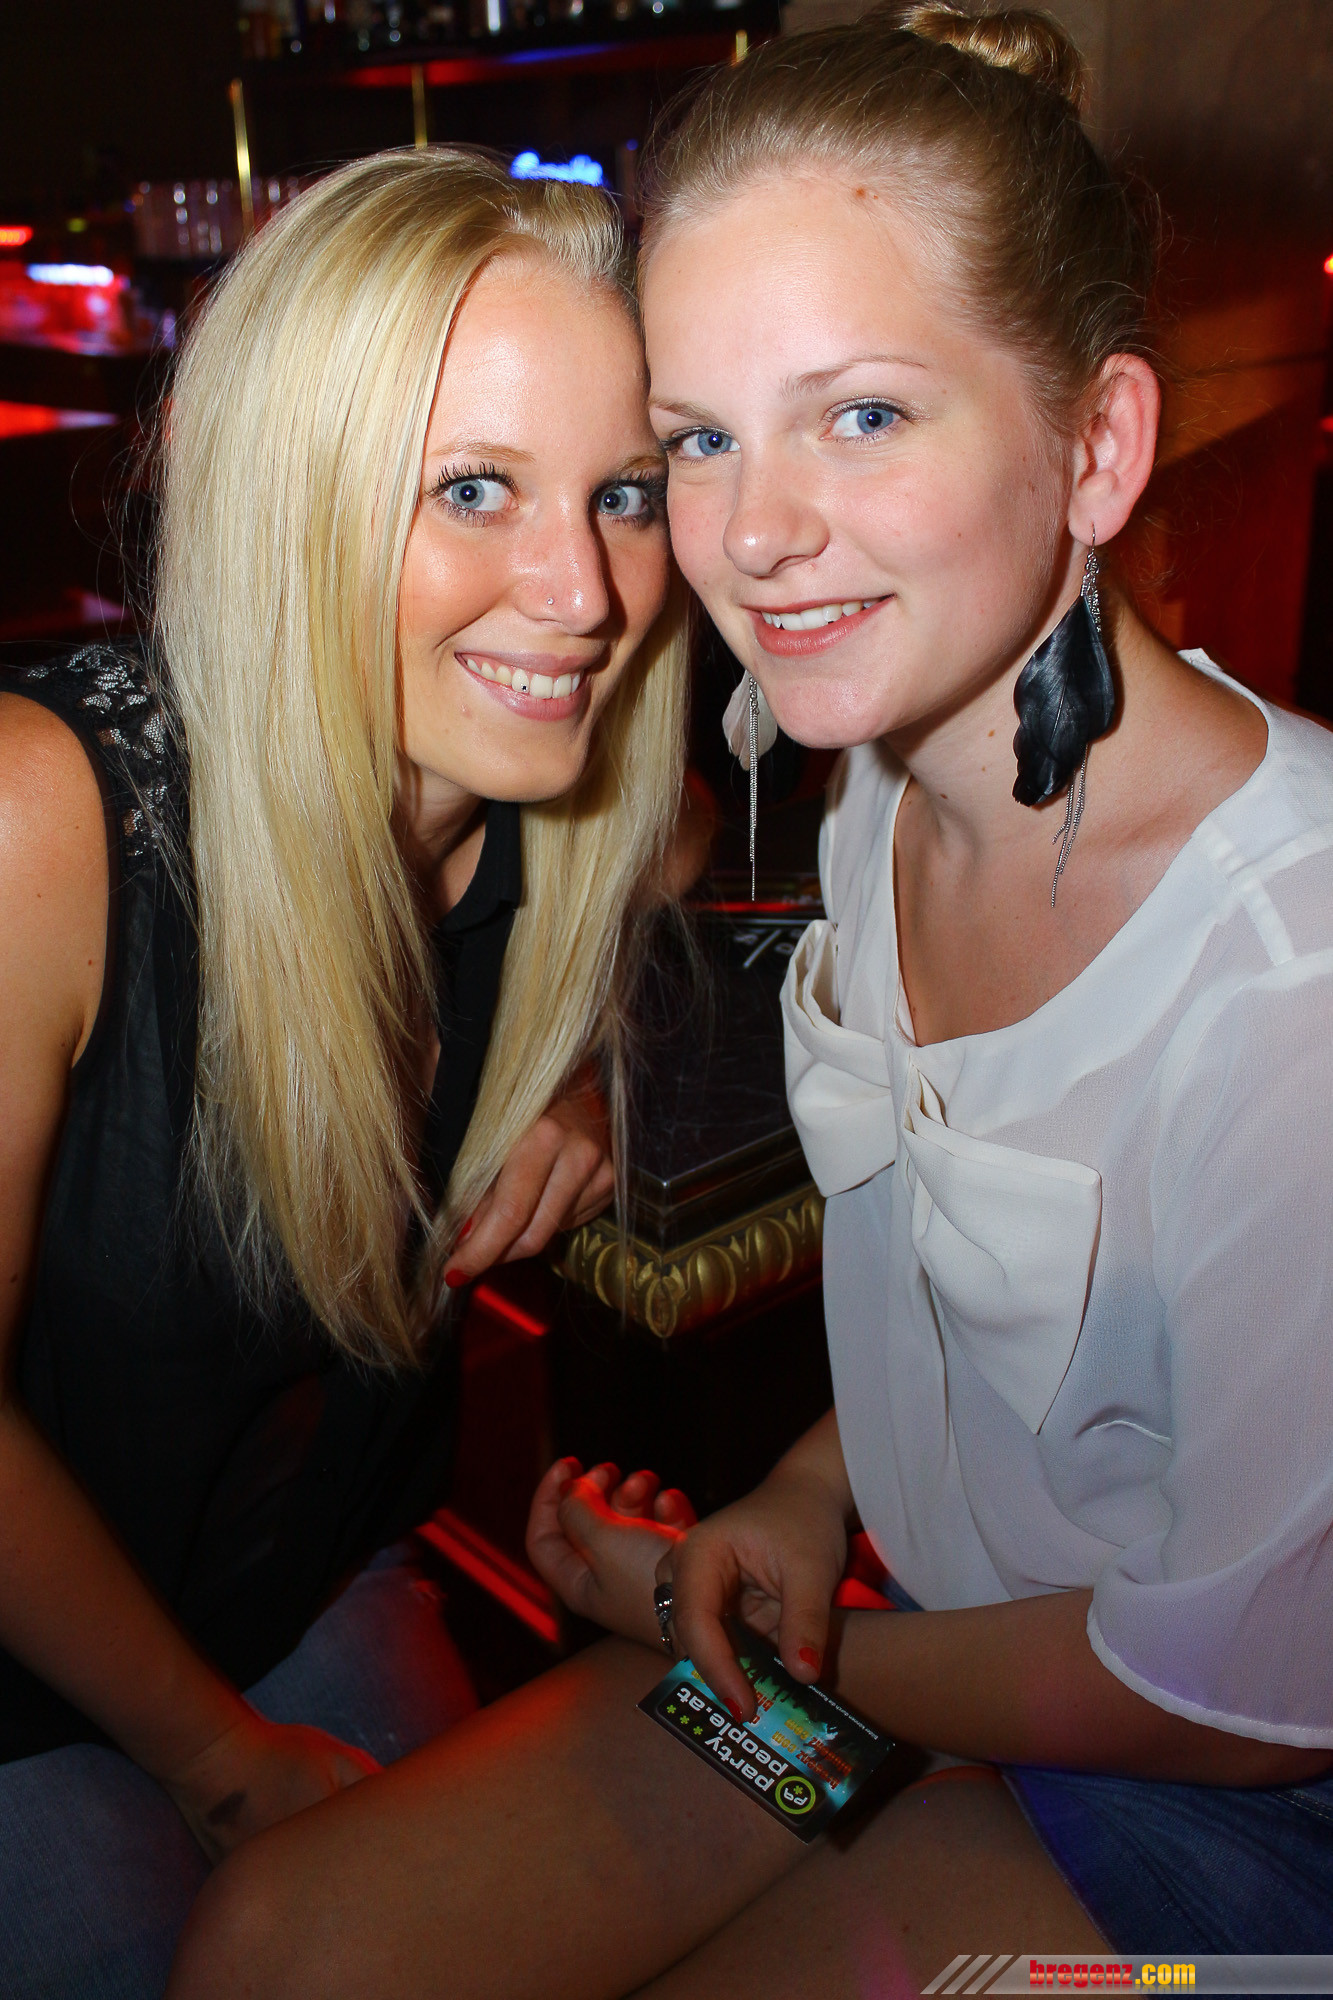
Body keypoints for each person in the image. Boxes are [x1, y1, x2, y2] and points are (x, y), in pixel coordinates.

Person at [164, 9, 1333, 1994]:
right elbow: (988, 1311)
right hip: (908, 1657)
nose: (749, 536)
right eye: (699, 439)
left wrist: (748, 1629)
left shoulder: (1290, 977)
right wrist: (800, 1492)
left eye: (858, 416)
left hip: (1224, 1816)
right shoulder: (882, 791)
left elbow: (1237, 1701)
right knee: (282, 1945)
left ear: (1095, 446)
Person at [0, 146, 687, 1998]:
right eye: (470, 488)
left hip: (322, 1565)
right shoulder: (42, 824)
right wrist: (220, 1763)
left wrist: (581, 1076)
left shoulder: (575, 789)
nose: (583, 592)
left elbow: (686, 869)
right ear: (286, 494)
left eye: (625, 491)